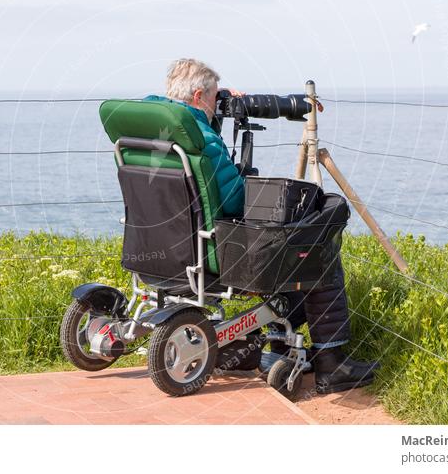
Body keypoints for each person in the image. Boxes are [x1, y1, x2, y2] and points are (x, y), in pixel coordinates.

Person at [147, 58, 379, 394]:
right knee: (316, 242)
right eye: (214, 99)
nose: (218, 106)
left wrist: (220, 94)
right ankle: (332, 362)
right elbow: (237, 202)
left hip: (165, 252)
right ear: (199, 97)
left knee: (293, 245)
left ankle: (279, 345)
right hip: (216, 253)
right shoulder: (204, 141)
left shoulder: (153, 128)